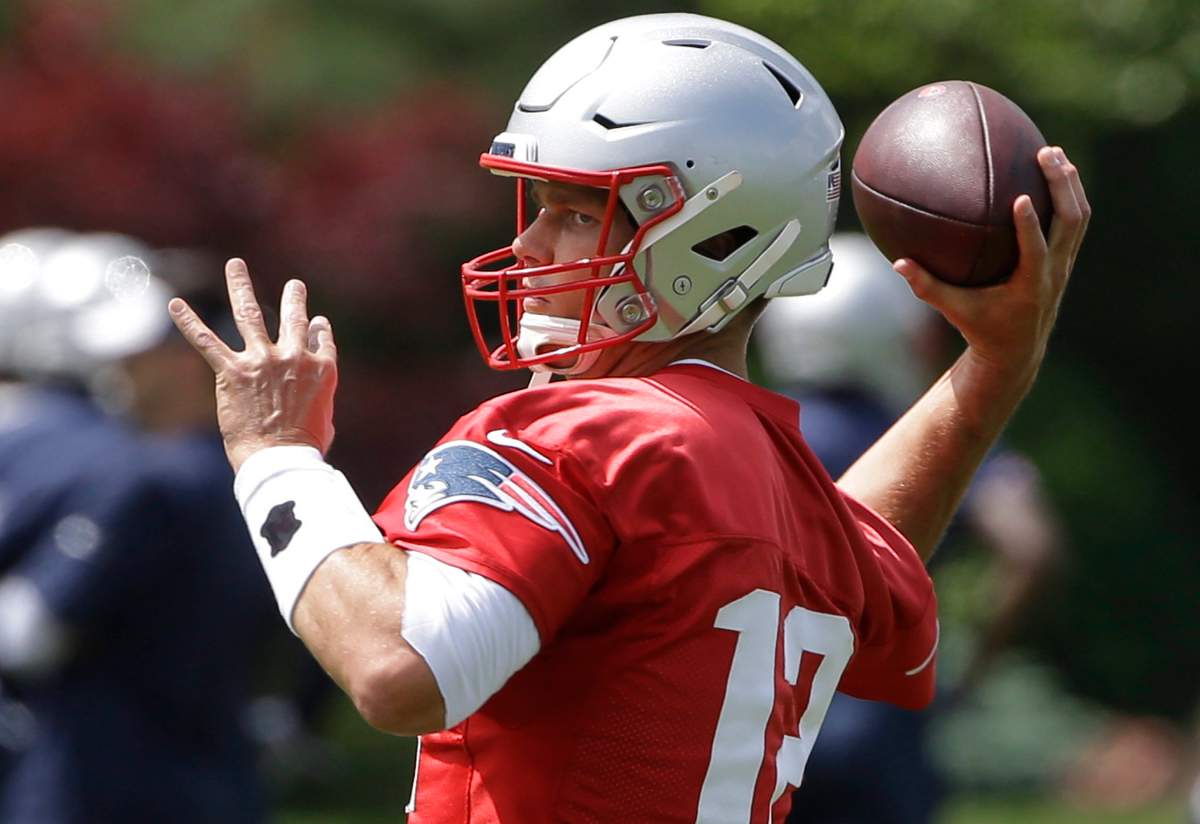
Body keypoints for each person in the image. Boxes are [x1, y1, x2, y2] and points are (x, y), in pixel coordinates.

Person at [169, 13, 1090, 822]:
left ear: (709, 237)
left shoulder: (591, 433)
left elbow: (400, 667)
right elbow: (869, 556)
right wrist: (998, 365)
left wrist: (276, 457)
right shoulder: (782, 474)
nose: (527, 245)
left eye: (576, 213)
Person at [756, 232, 1064, 823]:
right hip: (883, 737)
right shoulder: (929, 432)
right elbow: (1032, 549)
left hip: (761, 730)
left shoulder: (751, 437)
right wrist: (966, 676)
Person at [0, 230, 272, 823]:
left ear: (188, 357)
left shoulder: (143, 481)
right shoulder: (262, 477)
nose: (115, 365)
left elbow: (29, 635)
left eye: (135, 350)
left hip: (101, 789)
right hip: (218, 784)